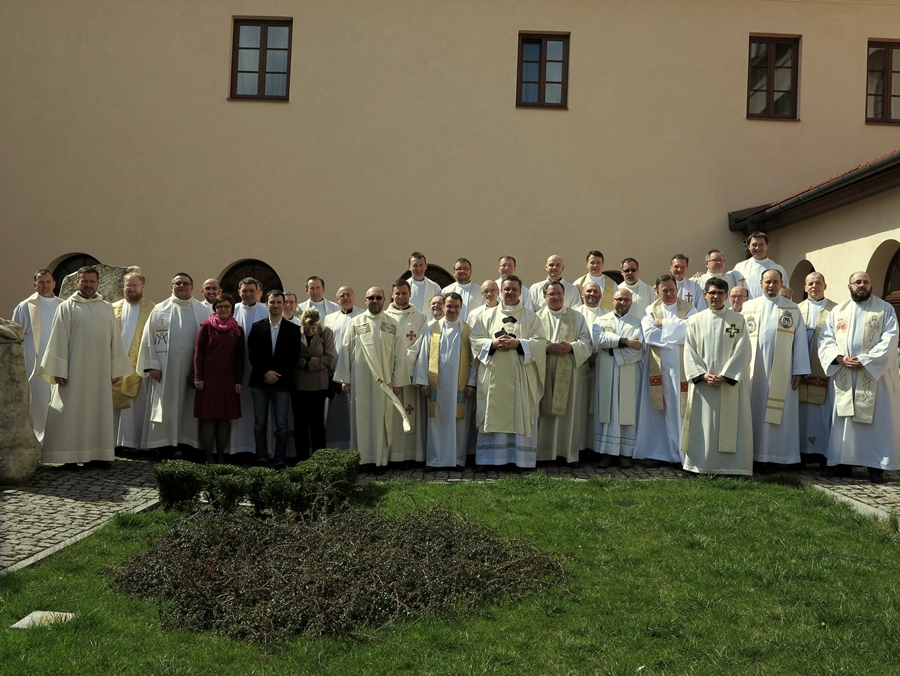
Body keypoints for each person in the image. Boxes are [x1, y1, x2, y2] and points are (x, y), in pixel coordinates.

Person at [39, 266, 132, 469]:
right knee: (70, 412)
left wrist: (116, 369)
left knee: (98, 411)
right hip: (74, 372)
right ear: (77, 283)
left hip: (100, 372)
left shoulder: (106, 307)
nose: (88, 285)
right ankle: (70, 456)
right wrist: (58, 370)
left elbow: (114, 340)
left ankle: (98, 454)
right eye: (84, 281)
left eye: (92, 281)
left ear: (98, 284)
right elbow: (58, 339)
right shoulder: (67, 307)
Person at [818, 272, 900, 483]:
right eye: (857, 282)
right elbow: (826, 339)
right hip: (845, 374)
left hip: (874, 376)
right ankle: (843, 464)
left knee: (875, 421)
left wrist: (866, 360)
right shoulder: (839, 311)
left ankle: (876, 466)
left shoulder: (885, 309)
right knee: (844, 421)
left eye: (865, 282)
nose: (861, 285)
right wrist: (838, 358)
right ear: (849, 286)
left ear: (871, 285)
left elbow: (890, 340)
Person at [470, 276, 546, 468]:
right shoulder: (486, 316)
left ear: (520, 292)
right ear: (500, 291)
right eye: (506, 289)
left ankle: (520, 460)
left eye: (514, 289)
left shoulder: (531, 317)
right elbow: (475, 340)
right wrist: (493, 344)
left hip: (520, 377)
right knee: (492, 410)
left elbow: (540, 343)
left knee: (519, 412)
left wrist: (519, 344)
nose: (510, 293)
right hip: (493, 376)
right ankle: (490, 459)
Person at [680, 278, 754, 476]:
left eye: (720, 293)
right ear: (705, 295)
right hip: (704, 383)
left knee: (730, 423)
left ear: (726, 296)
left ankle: (732, 467)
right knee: (703, 424)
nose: (716, 297)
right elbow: (689, 351)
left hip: (728, 384)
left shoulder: (737, 320)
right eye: (712, 293)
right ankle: (700, 465)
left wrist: (726, 375)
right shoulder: (695, 320)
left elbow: (743, 350)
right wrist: (702, 375)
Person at [332, 287, 410, 467]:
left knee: (380, 420)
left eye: (378, 297)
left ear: (384, 300)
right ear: (365, 300)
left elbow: (400, 355)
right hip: (359, 381)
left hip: (384, 383)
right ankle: (361, 460)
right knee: (361, 418)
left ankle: (379, 461)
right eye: (371, 298)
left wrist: (398, 382)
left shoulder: (392, 324)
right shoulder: (356, 323)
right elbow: (345, 350)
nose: (374, 300)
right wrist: (345, 378)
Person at [742, 269, 810, 471]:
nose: (771, 286)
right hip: (753, 370)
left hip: (783, 372)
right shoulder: (748, 307)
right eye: (767, 282)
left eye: (775, 282)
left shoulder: (792, 309)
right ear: (760, 283)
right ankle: (752, 455)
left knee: (779, 413)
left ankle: (779, 457)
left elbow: (799, 341)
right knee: (753, 410)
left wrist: (799, 370)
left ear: (781, 284)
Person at [136, 273, 209, 453]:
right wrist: (152, 364)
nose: (181, 286)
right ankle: (164, 444)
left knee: (189, 407)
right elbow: (148, 338)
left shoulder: (203, 310)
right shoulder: (160, 309)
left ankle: (189, 444)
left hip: (192, 370)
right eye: (178, 283)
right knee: (165, 406)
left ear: (192, 287)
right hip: (165, 369)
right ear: (172, 287)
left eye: (185, 283)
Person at [633, 274, 697, 467]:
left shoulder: (689, 308)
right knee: (658, 410)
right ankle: (657, 452)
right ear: (657, 291)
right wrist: (677, 333)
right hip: (657, 367)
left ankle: (682, 453)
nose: (669, 294)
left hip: (681, 368)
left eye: (672, 290)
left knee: (680, 409)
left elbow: (693, 331)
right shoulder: (650, 310)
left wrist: (665, 324)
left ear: (677, 290)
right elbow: (650, 335)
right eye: (664, 290)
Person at [414, 293, 476, 468]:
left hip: (459, 386)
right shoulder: (432, 329)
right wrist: (423, 381)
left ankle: (457, 460)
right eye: (449, 306)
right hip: (437, 386)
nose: (452, 310)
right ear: (443, 307)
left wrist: (472, 382)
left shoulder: (467, 330)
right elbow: (423, 356)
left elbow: (473, 360)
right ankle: (436, 460)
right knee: (437, 422)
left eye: (456, 306)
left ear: (461, 308)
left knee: (459, 423)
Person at [536, 280, 593, 465]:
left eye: (559, 293)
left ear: (564, 295)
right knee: (544, 413)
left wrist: (571, 347)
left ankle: (568, 453)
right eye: (551, 294)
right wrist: (545, 347)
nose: (556, 297)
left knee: (569, 413)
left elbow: (587, 343)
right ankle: (543, 453)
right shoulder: (536, 318)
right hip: (544, 371)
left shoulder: (576, 317)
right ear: (544, 297)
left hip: (570, 373)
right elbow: (530, 343)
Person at [247, 290, 301, 469]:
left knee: (282, 424)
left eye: (279, 302)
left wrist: (276, 373)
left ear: (284, 303)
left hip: (282, 382)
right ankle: (262, 456)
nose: (276, 305)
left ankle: (280, 458)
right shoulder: (257, 327)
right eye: (272, 302)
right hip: (259, 381)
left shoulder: (293, 330)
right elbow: (253, 355)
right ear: (267, 304)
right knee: (260, 422)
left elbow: (293, 357)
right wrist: (266, 372)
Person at [592, 289, 644, 468]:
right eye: (619, 299)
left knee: (625, 412)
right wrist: (625, 342)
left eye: (626, 300)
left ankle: (624, 453)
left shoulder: (638, 323)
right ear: (612, 300)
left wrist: (613, 350)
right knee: (606, 410)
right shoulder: (601, 320)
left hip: (628, 372)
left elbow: (638, 349)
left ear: (631, 302)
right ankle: (606, 453)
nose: (623, 302)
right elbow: (599, 339)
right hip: (606, 372)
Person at [12, 269, 63, 442]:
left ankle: (56, 440)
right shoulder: (25, 306)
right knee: (38, 403)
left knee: (57, 403)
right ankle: (37, 441)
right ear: (35, 285)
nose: (45, 285)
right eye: (41, 282)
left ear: (54, 283)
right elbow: (16, 337)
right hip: (34, 364)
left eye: (48, 281)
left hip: (57, 363)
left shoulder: (62, 305)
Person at [193, 293, 244, 464]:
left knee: (224, 418)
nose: (223, 309)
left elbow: (240, 357)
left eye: (227, 306)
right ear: (215, 308)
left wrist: (238, 380)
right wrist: (198, 377)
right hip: (208, 380)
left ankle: (221, 456)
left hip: (228, 380)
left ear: (232, 309)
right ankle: (208, 456)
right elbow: (198, 353)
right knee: (208, 417)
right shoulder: (206, 327)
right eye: (220, 306)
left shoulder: (237, 330)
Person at [384, 279, 428, 463]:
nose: (401, 296)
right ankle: (393, 455)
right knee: (392, 415)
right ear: (392, 294)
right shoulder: (384, 318)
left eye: (404, 293)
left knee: (411, 412)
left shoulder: (421, 318)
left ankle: (412, 455)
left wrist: (402, 367)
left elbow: (421, 346)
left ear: (410, 294)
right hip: (389, 375)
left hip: (410, 375)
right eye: (397, 293)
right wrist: (393, 369)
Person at [111, 272, 154, 449]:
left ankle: (132, 442)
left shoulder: (152, 309)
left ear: (142, 287)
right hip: (115, 363)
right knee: (113, 407)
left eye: (135, 285)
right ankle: (112, 442)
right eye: (128, 285)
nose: (131, 289)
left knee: (135, 407)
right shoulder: (112, 308)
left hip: (139, 365)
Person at [797, 272, 836, 467]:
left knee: (823, 413)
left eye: (818, 283)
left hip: (824, 371)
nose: (814, 286)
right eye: (810, 283)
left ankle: (822, 453)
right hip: (800, 371)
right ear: (805, 288)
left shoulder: (836, 310)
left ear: (825, 285)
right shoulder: (796, 310)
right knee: (801, 412)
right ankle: (802, 452)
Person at [230, 277, 270, 458]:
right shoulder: (231, 311)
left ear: (258, 292)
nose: (247, 294)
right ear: (239, 292)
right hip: (235, 368)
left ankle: (257, 449)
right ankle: (236, 447)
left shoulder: (266, 311)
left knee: (258, 412)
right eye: (244, 291)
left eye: (251, 291)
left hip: (260, 370)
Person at [323, 285, 364, 449]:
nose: (345, 298)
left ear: (354, 296)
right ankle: (338, 446)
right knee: (336, 412)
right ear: (337, 299)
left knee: (356, 410)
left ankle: (357, 445)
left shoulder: (362, 315)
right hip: (335, 371)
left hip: (357, 370)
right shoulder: (329, 318)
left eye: (348, 294)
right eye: (342, 296)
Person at [293, 308, 336, 460]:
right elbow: (291, 357)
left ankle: (319, 457)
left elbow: (329, 356)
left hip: (319, 384)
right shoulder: (295, 333)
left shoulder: (326, 333)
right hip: (299, 383)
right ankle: (302, 457)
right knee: (300, 422)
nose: (310, 331)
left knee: (317, 421)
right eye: (307, 328)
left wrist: (307, 364)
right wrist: (308, 362)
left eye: (313, 328)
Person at [730, 231, 788, 300]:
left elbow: (786, 294)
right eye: (754, 245)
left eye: (761, 245)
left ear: (767, 246)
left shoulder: (778, 269)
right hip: (745, 309)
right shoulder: (740, 268)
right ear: (748, 246)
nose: (757, 248)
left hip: (770, 309)